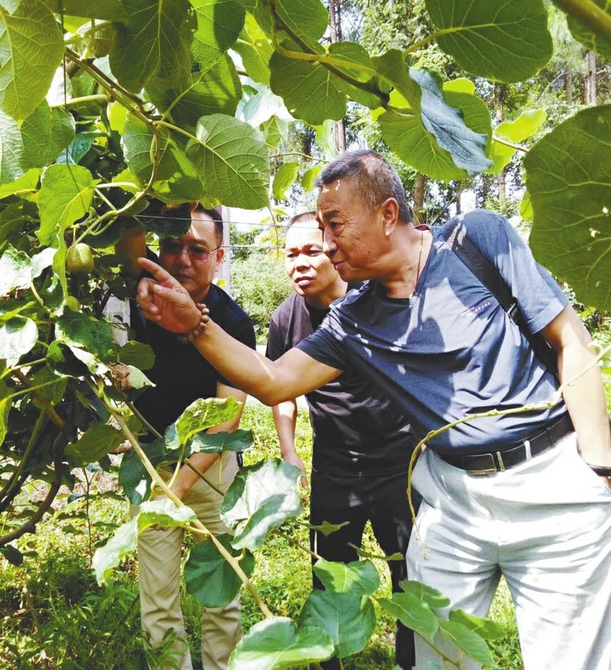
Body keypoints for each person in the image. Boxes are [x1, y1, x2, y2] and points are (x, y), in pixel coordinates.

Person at [135, 151, 611, 670]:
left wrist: (601, 469)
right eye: (321, 227)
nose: (327, 243)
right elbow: (273, 382)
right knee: (440, 655)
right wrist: (196, 325)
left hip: (550, 480)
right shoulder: (353, 320)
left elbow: (572, 342)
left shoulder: (478, 239)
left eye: (335, 225)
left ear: (388, 214)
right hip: (452, 500)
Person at [267, 211, 418, 669]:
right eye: (291, 254)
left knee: (410, 579)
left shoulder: (377, 304)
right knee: (328, 581)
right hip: (334, 468)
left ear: (334, 250)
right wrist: (289, 450)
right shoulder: (285, 318)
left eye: (312, 250)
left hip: (399, 466)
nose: (301, 264)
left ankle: (415, 660)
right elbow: (281, 391)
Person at [116, 201, 256, 670]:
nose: (183, 259)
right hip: (153, 465)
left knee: (222, 591)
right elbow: (126, 239)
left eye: (198, 249)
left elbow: (225, 423)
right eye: (173, 244)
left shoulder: (234, 324)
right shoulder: (141, 305)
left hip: (212, 473)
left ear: (218, 257)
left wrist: (177, 489)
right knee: (157, 597)